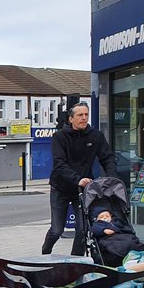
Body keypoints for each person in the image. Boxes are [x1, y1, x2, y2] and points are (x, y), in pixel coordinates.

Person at [42, 102, 115, 256]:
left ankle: (76, 262)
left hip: (83, 190)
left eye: (86, 115)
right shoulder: (59, 137)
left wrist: (111, 178)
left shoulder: (95, 136)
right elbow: (59, 165)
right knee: (57, 230)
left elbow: (107, 158)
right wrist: (77, 179)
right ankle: (45, 254)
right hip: (60, 188)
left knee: (83, 229)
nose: (84, 118)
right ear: (71, 119)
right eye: (80, 115)